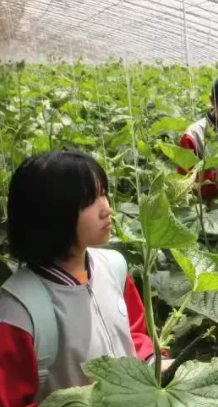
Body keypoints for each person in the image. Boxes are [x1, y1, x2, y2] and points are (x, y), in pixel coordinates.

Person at [0, 152, 155, 407]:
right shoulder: (19, 311)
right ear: (52, 214)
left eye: (103, 194)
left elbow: (134, 334)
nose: (107, 209)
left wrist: (152, 363)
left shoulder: (114, 267)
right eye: (90, 201)